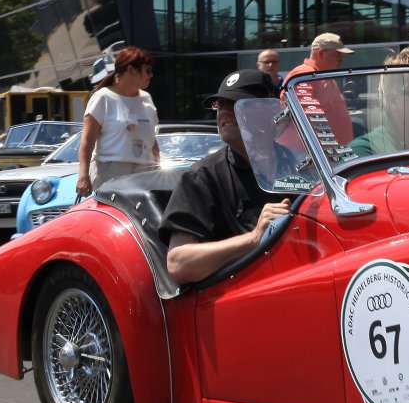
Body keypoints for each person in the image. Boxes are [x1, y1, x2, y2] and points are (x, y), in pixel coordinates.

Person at [162, 69, 291, 286]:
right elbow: (178, 263)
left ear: (270, 111)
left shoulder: (302, 165)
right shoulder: (201, 177)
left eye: (238, 104)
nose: (225, 113)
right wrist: (254, 238)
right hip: (242, 293)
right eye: (220, 105)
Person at [76, 46, 160, 200]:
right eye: (147, 70)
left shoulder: (146, 99)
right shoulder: (103, 98)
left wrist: (158, 168)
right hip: (111, 174)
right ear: (131, 70)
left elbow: (152, 141)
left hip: (145, 175)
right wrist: (83, 175)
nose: (151, 75)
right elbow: (87, 141)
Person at [285, 31, 354, 146]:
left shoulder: (321, 76)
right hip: (310, 151)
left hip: (329, 150)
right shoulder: (304, 74)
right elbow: (306, 115)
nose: (341, 62)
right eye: (338, 56)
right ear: (321, 53)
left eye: (342, 57)